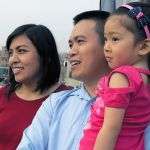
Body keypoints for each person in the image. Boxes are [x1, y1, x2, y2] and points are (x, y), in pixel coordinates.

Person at [17, 10, 110, 150]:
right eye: (71, 45)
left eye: (80, 41)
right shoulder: (55, 104)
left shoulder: (139, 106)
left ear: (108, 45)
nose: (71, 52)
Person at [79, 2, 150, 150]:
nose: (106, 47)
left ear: (143, 47)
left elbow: (110, 129)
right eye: (105, 39)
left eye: (115, 39)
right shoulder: (145, 79)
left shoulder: (121, 76)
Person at [0, 24, 71, 150]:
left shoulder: (69, 101)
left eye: (21, 51)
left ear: (46, 56)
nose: (12, 60)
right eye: (11, 53)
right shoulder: (2, 95)